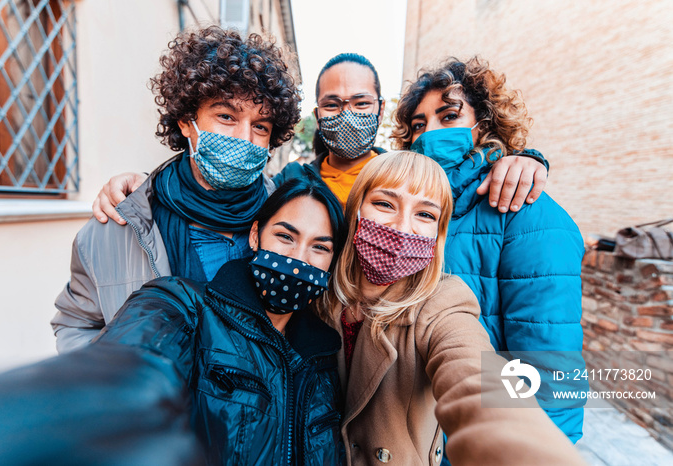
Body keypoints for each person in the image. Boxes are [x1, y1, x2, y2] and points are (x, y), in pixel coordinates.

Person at [0, 177, 346, 465]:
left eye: (320, 246)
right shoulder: (185, 306)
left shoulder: (327, 357)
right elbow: (134, 361)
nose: (299, 258)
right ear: (255, 235)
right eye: (285, 236)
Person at [323, 150, 585, 465]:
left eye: (425, 215)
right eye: (384, 204)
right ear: (356, 212)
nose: (403, 226)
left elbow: (474, 379)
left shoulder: (442, 302)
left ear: (438, 233)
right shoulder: (322, 294)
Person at [51, 26, 301, 353]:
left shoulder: (288, 221)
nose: (244, 138)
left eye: (260, 126)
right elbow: (76, 325)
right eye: (226, 116)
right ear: (186, 121)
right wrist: (121, 387)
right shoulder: (118, 226)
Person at [91, 53, 549, 219]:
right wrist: (138, 183)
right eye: (333, 104)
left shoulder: (410, 179)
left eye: (361, 103)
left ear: (380, 110)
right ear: (316, 113)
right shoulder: (288, 183)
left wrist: (524, 158)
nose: (346, 115)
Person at [392, 56, 585, 443]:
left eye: (448, 117)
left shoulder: (527, 213)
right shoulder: (411, 208)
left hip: (476, 435)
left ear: (484, 126)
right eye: (418, 125)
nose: (429, 133)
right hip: (411, 432)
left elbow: (550, 369)